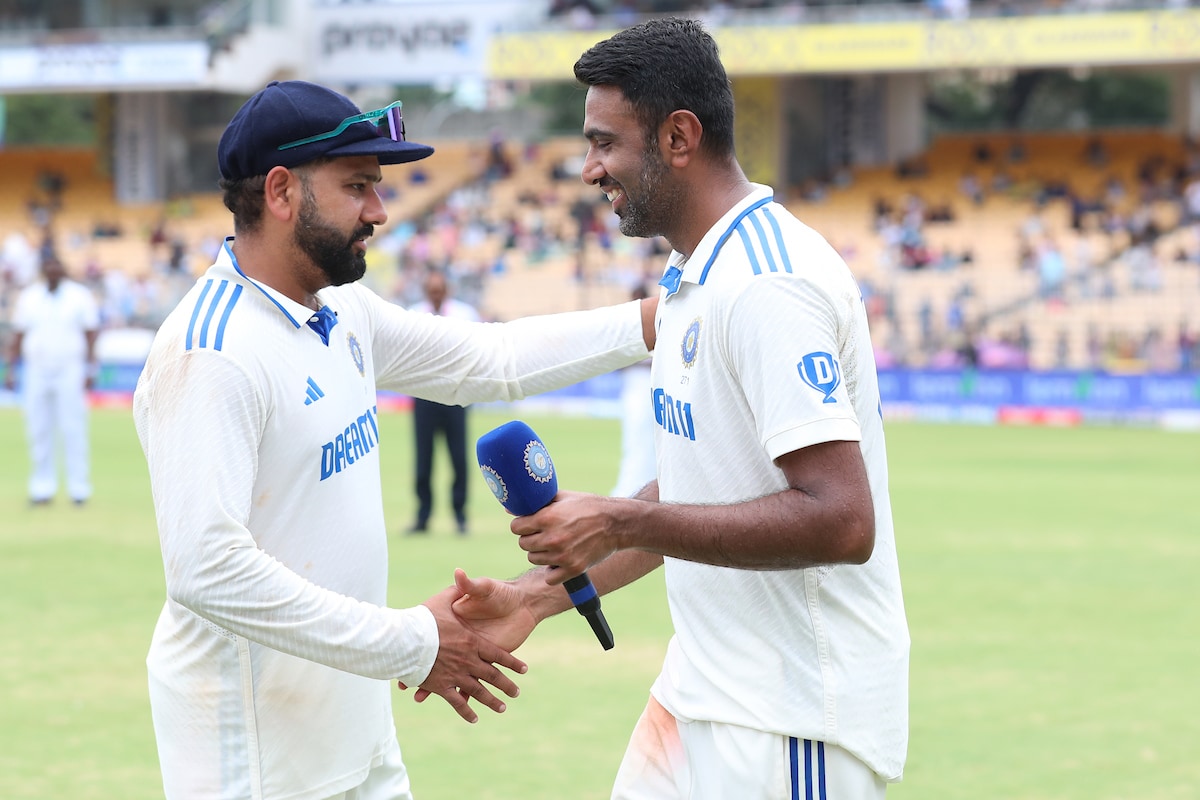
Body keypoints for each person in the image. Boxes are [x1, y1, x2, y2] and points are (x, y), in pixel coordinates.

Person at [131, 79, 658, 800]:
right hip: (258, 761)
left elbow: (488, 360)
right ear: (281, 191)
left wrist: (656, 323)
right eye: (358, 186)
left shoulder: (338, 307)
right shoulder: (210, 352)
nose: (380, 211)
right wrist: (413, 642)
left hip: (358, 735)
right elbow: (206, 570)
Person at [435, 18, 909, 799]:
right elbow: (704, 486)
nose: (589, 169)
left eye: (605, 143)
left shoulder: (769, 281)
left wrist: (621, 521)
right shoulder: (697, 275)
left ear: (679, 137)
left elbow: (842, 520)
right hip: (699, 695)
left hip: (789, 723)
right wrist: (535, 596)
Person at [4, 252, 100, 506]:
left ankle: (79, 489)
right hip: (36, 368)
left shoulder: (78, 296)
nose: (53, 270)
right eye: (48, 266)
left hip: (70, 367)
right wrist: (11, 370)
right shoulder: (29, 297)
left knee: (73, 428)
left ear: (62, 269)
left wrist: (91, 368)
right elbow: (19, 335)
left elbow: (91, 333)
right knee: (38, 428)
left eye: (56, 266)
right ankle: (41, 488)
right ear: (42, 270)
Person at [405, 269, 481, 535]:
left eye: (440, 291)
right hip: (424, 397)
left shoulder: (465, 315)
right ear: (426, 292)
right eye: (432, 291)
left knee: (459, 458)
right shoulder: (412, 316)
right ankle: (423, 517)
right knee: (423, 460)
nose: (436, 295)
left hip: (457, 398)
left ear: (447, 291)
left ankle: (460, 516)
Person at [610, 282, 656, 499]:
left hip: (647, 385)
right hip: (633, 387)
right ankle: (631, 489)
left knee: (645, 440)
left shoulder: (654, 319)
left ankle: (639, 491)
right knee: (635, 440)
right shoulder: (627, 324)